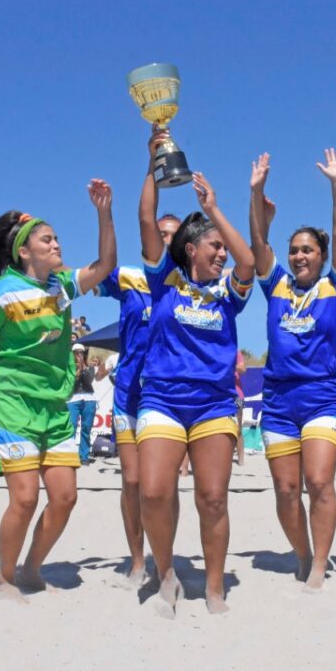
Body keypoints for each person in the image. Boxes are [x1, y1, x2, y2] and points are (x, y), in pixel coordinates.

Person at [0, 179, 117, 601]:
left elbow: (105, 264)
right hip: (11, 402)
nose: (56, 244)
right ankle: (6, 578)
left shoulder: (61, 287)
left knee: (65, 497)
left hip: (54, 405)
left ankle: (32, 567)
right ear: (25, 252)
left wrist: (104, 211)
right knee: (26, 499)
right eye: (47, 240)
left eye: (57, 238)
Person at [137, 141, 255, 616]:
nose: (223, 254)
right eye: (215, 247)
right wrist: (153, 163)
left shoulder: (229, 290)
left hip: (213, 403)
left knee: (212, 499)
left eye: (223, 247)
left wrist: (214, 210)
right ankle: (165, 572)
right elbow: (147, 219)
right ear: (190, 250)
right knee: (154, 492)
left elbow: (249, 263)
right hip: (163, 398)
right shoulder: (164, 279)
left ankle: (213, 586)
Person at [248, 148, 336, 592]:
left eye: (308, 250)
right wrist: (256, 194)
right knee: (286, 491)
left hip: (323, 397)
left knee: (317, 480)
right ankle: (302, 551)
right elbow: (257, 245)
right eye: (294, 251)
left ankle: (320, 561)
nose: (299, 256)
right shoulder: (276, 285)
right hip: (278, 402)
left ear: (322, 254)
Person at [95, 138, 185, 586]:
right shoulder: (131, 276)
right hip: (132, 389)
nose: (165, 240)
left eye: (173, 236)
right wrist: (104, 214)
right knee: (131, 481)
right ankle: (137, 558)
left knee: (163, 486)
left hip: (172, 394)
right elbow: (102, 264)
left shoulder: (191, 284)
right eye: (161, 234)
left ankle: (166, 553)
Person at [66, 344, 108, 464]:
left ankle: (83, 456)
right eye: (76, 352)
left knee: (86, 428)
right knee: (71, 426)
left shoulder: (89, 367)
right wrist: (76, 368)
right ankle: (71, 455)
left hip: (89, 399)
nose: (79, 354)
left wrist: (83, 367)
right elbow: (70, 382)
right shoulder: (68, 367)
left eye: (81, 352)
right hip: (73, 399)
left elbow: (89, 380)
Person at [234, 350, 247, 466]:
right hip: (218, 394)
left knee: (238, 429)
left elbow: (243, 369)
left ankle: (241, 459)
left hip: (236, 394)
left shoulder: (235, 351)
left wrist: (228, 364)